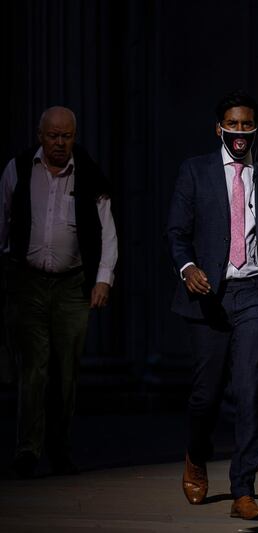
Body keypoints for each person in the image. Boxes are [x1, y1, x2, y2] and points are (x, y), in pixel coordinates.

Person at [166, 89, 258, 521]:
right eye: (232, 124)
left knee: (249, 393)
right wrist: (187, 268)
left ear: (256, 128)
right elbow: (177, 233)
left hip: (254, 296)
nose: (240, 132)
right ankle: (196, 454)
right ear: (218, 128)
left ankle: (244, 489)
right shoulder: (196, 172)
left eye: (247, 124)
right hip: (208, 298)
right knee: (205, 396)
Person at [0, 106, 118, 478]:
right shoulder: (17, 169)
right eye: (53, 135)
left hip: (73, 285)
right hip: (29, 282)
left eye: (66, 136)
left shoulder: (89, 175)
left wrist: (103, 278)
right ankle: (27, 449)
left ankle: (60, 449)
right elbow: (2, 219)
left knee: (66, 372)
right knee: (32, 368)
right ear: (40, 136)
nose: (59, 143)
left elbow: (107, 231)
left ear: (74, 137)